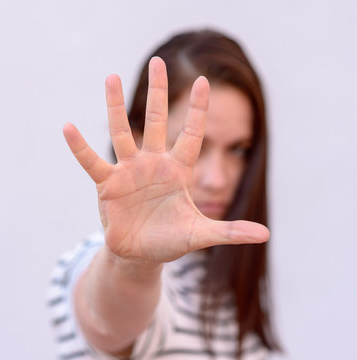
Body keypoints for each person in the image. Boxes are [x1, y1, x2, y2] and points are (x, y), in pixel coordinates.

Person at [48, 29, 281, 359]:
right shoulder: (99, 259)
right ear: (140, 137)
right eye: (197, 146)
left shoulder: (229, 280)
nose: (218, 179)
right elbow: (106, 320)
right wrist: (133, 265)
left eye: (239, 150)